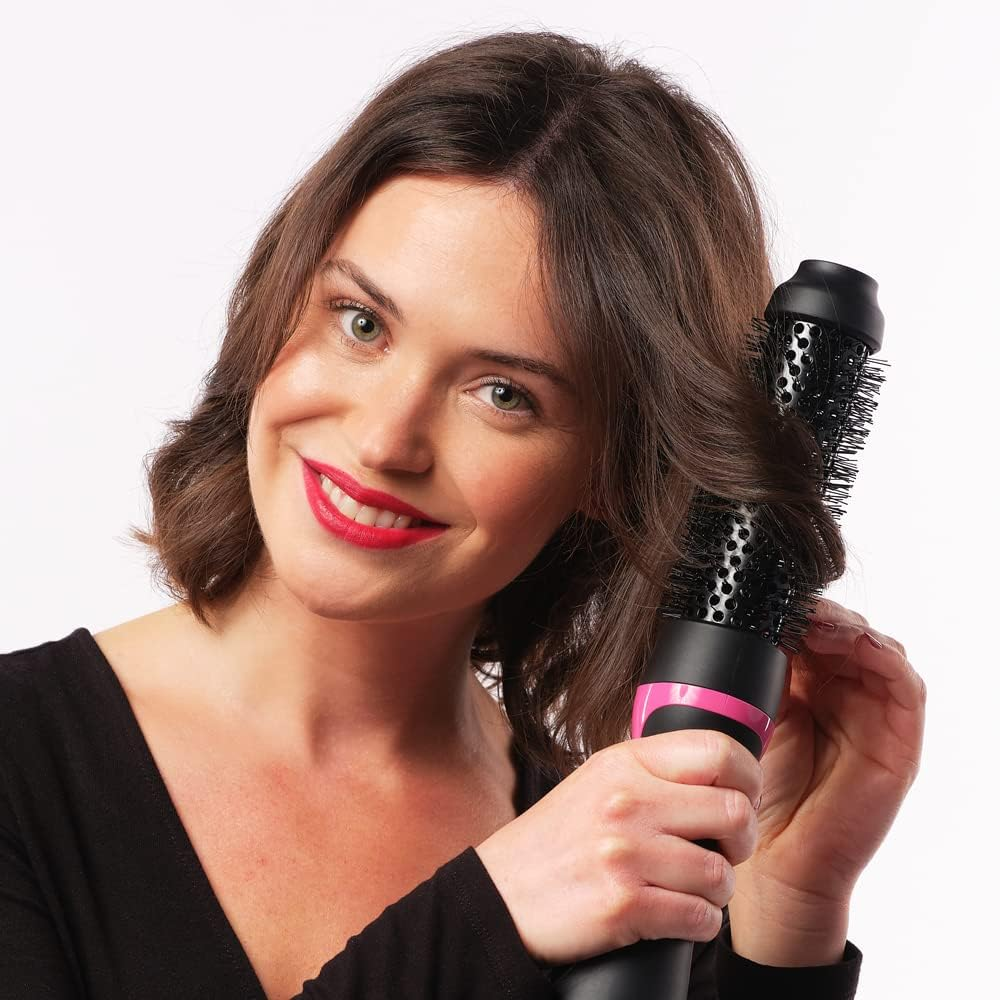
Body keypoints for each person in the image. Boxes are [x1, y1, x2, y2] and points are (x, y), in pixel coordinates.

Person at [0, 29, 925, 999]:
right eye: (362, 323)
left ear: (613, 470)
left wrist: (785, 925)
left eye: (503, 394)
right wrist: (489, 918)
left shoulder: (617, 862)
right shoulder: (22, 766)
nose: (383, 440)